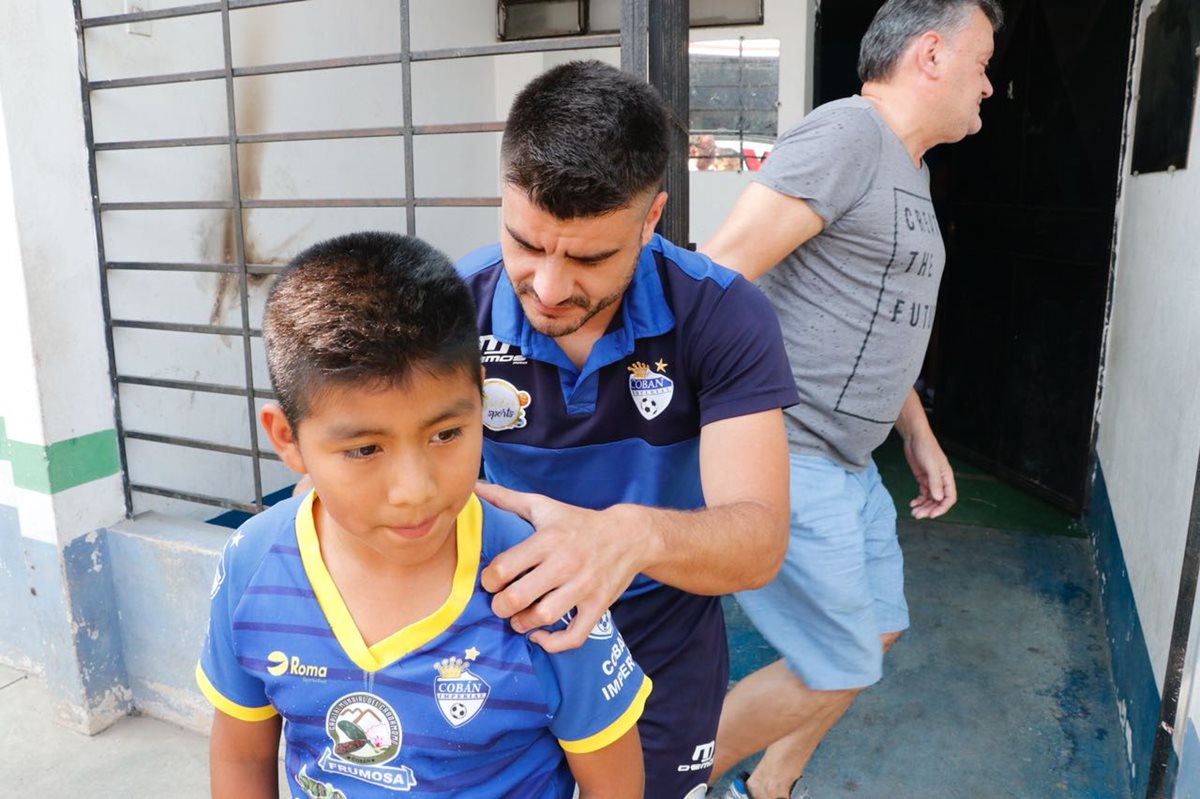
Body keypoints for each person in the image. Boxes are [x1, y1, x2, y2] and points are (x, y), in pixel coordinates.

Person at [196, 232, 651, 799]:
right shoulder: (252, 563)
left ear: (480, 399)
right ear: (288, 439)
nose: (415, 491)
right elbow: (243, 756)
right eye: (365, 449)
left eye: (446, 434)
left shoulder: (540, 581)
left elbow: (613, 780)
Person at [457, 60, 798, 798]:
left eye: (589, 257)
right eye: (525, 243)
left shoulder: (722, 315)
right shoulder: (450, 309)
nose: (549, 287)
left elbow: (759, 541)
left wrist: (630, 536)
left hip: (662, 649)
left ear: (651, 218)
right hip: (503, 631)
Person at [700, 2, 1003, 796]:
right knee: (839, 661)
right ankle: (663, 781)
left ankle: (769, 786)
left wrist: (917, 432)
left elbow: (875, 318)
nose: (988, 85)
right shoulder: (847, 136)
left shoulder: (909, 168)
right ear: (930, 53)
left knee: (881, 628)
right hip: (790, 451)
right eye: (982, 64)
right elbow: (719, 275)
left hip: (849, 460)